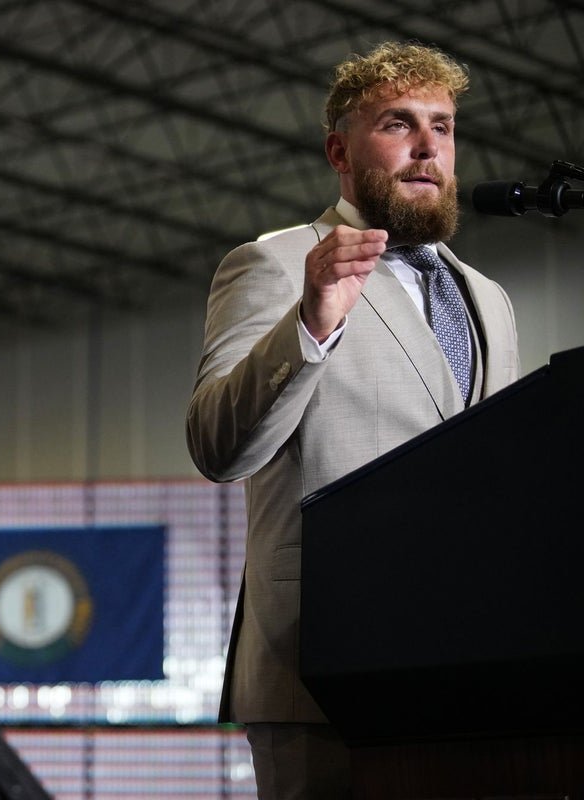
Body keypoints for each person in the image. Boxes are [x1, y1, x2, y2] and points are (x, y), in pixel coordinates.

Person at [186, 42, 521, 798]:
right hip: (322, 667)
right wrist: (310, 322)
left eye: (443, 125)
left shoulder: (490, 300)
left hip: (473, 667)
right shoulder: (275, 264)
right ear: (340, 150)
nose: (429, 145)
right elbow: (215, 445)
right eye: (399, 124)